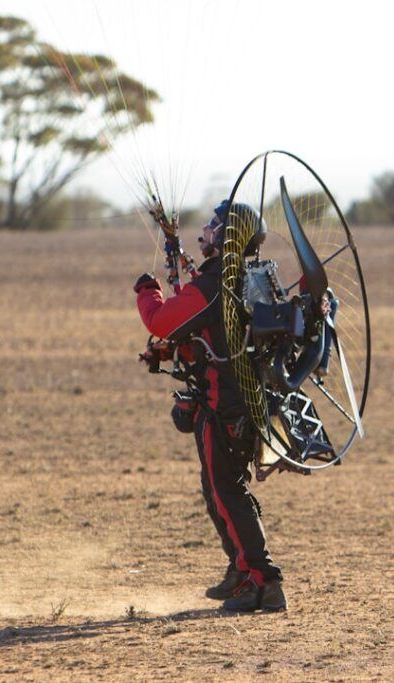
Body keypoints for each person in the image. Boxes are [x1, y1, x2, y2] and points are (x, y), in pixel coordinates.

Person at [133, 200, 286, 613]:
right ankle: (242, 572)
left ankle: (262, 582)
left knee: (227, 492)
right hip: (236, 403)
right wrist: (167, 354)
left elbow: (162, 320)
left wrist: (147, 292)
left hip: (226, 408)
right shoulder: (243, 279)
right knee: (220, 491)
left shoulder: (215, 283)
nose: (204, 232)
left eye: (212, 226)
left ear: (225, 236)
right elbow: (203, 334)